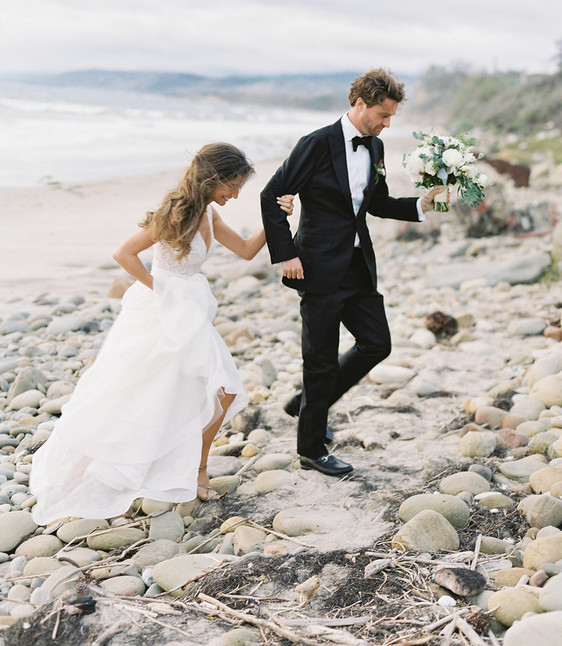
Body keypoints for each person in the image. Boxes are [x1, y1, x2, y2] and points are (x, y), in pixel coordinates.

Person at [30, 143, 293, 523]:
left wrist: (275, 218)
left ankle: (195, 469)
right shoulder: (174, 214)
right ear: (213, 179)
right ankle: (128, 464)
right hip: (163, 310)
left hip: (192, 310)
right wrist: (159, 289)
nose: (235, 195)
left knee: (217, 390)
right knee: (148, 390)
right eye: (232, 186)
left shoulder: (210, 215)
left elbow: (247, 251)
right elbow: (123, 254)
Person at [260, 68, 443, 477]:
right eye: (383, 114)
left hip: (358, 266)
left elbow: (377, 203)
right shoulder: (316, 143)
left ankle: (307, 403)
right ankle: (310, 448)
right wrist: (285, 253)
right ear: (360, 103)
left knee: (377, 343)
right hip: (318, 266)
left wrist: (423, 204)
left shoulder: (375, 148)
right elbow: (271, 194)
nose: (387, 123)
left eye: (392, 116)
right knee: (320, 359)